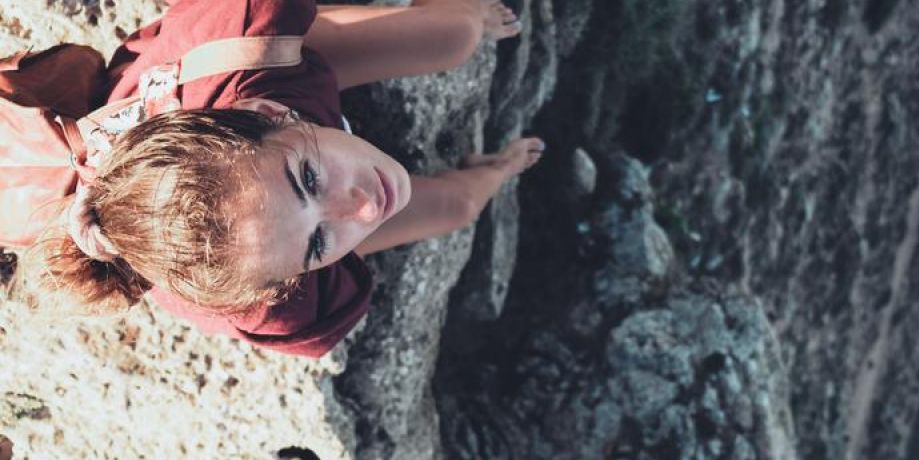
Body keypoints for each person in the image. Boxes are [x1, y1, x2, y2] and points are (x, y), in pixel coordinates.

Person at [10, 0, 543, 358]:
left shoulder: (243, 41)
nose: (361, 207)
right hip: (275, 159)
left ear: (266, 111)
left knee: (455, 34)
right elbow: (306, 301)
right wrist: (307, 204)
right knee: (457, 208)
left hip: (268, 78)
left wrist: (291, 36)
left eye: (308, 180)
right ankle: (496, 168)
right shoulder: (273, 302)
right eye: (317, 243)